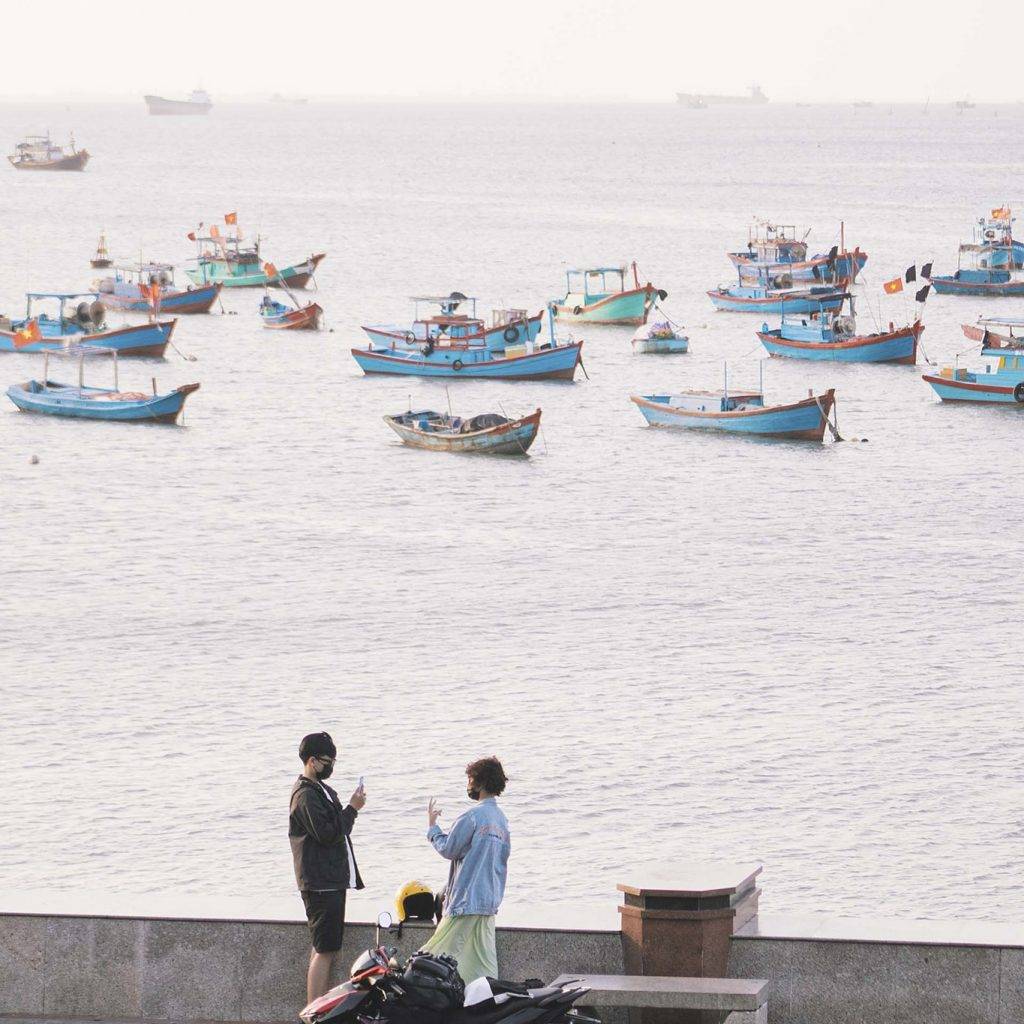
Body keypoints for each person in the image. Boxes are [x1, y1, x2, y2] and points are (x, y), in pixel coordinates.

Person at [289, 732, 367, 1003]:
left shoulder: (319, 790)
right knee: (325, 950)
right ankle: (316, 1013)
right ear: (312, 761)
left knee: (324, 947)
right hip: (320, 884)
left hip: (329, 881)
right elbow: (328, 834)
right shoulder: (305, 795)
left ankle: (317, 1010)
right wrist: (353, 809)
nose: (331, 765)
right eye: (327, 760)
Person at [420, 756, 510, 983]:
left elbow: (449, 849)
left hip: (464, 902)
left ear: (480, 782)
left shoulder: (472, 816)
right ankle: (484, 1008)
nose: (468, 785)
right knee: (483, 969)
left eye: (470, 779)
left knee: (430, 959)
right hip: (488, 904)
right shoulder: (501, 820)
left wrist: (432, 828)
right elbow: (502, 861)